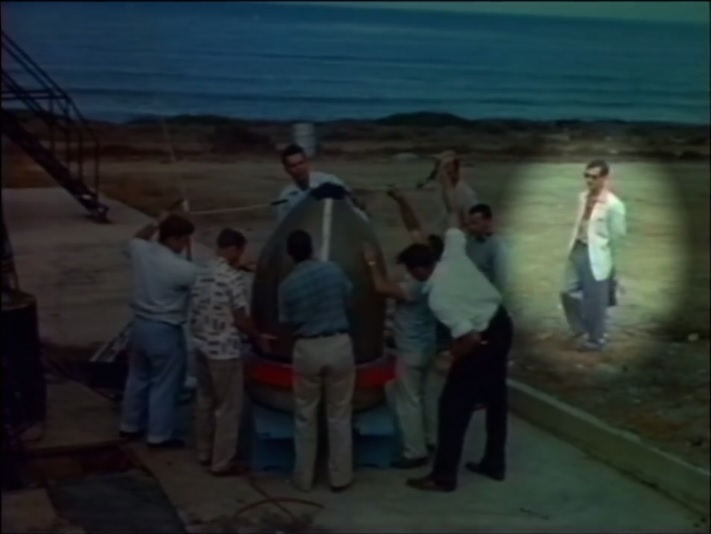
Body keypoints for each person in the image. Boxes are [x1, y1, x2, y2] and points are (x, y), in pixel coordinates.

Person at [406, 166, 514, 493]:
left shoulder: (438, 297)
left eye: (413, 272)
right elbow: (454, 213)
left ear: (421, 269)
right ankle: (494, 462)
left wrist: (449, 358)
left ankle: (443, 476)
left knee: (453, 405)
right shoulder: (452, 252)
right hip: (501, 323)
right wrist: (444, 179)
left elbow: (470, 338)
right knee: (496, 398)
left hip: (481, 336)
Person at [190, 228, 274, 476]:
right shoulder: (231, 278)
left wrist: (241, 268)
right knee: (228, 407)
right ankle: (222, 462)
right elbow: (240, 318)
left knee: (204, 400)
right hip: (223, 351)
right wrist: (258, 337)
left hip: (200, 345)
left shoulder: (202, 271)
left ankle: (204, 453)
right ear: (235, 249)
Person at [278, 230, 355, 492]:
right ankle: (340, 477)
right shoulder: (333, 270)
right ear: (311, 248)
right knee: (339, 414)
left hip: (307, 348)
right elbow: (348, 297)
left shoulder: (286, 286)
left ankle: (303, 478)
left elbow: (287, 322)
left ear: (291, 254)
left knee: (305, 415)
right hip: (339, 343)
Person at [119, 209, 199, 448]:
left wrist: (157, 221)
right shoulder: (180, 268)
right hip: (164, 329)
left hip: (140, 326)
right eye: (184, 240)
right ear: (174, 239)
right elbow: (203, 282)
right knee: (164, 384)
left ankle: (129, 425)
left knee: (137, 377)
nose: (186, 245)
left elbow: (136, 238)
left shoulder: (142, 251)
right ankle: (159, 435)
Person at [363, 241, 441, 469]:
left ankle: (414, 452)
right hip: (428, 346)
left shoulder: (415, 287)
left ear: (418, 268)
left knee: (409, 402)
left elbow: (380, 287)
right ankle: (431, 439)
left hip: (411, 351)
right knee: (427, 398)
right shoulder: (436, 279)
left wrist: (371, 262)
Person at [560, 159, 626, 352]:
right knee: (566, 290)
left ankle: (596, 340)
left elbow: (617, 238)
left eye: (594, 177)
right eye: (586, 176)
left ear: (604, 178)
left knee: (595, 300)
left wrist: (614, 268)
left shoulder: (614, 205)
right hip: (578, 248)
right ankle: (579, 331)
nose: (589, 181)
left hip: (598, 254)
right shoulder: (582, 197)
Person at [276, 143, 367, 220]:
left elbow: (353, 202)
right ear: (287, 170)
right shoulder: (285, 197)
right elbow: (284, 228)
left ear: (307, 162)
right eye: (293, 166)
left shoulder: (329, 181)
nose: (299, 168)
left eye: (301, 163)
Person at [464, 203, 509, 296]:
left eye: (475, 223)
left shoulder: (496, 246)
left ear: (488, 221)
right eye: (469, 223)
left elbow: (500, 280)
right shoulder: (468, 240)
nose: (470, 227)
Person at [429, 150, 478, 234]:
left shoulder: (466, 194)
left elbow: (473, 221)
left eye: (447, 171)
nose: (442, 175)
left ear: (456, 171)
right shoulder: (438, 190)